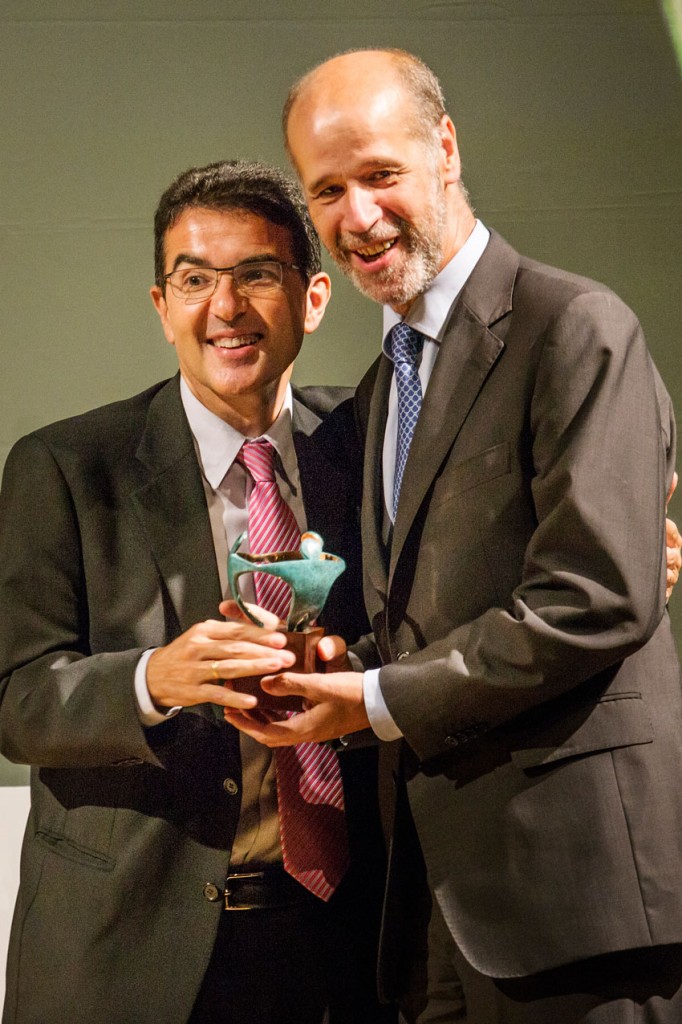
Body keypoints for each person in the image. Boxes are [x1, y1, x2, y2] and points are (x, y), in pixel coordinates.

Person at [224, 49, 682, 1023]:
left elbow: (594, 596)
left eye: (380, 175)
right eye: (328, 191)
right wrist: (325, 667)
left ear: (445, 149)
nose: (356, 217)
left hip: (575, 909)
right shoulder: (387, 381)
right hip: (432, 913)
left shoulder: (575, 328)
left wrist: (377, 699)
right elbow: (430, 612)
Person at [0, 160, 395, 1024]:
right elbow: (16, 697)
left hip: (342, 943)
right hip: (125, 950)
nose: (226, 308)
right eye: (195, 280)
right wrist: (151, 682)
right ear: (161, 306)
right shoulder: (65, 466)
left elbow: (440, 617)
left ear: (315, 297)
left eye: (256, 274)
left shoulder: (370, 448)